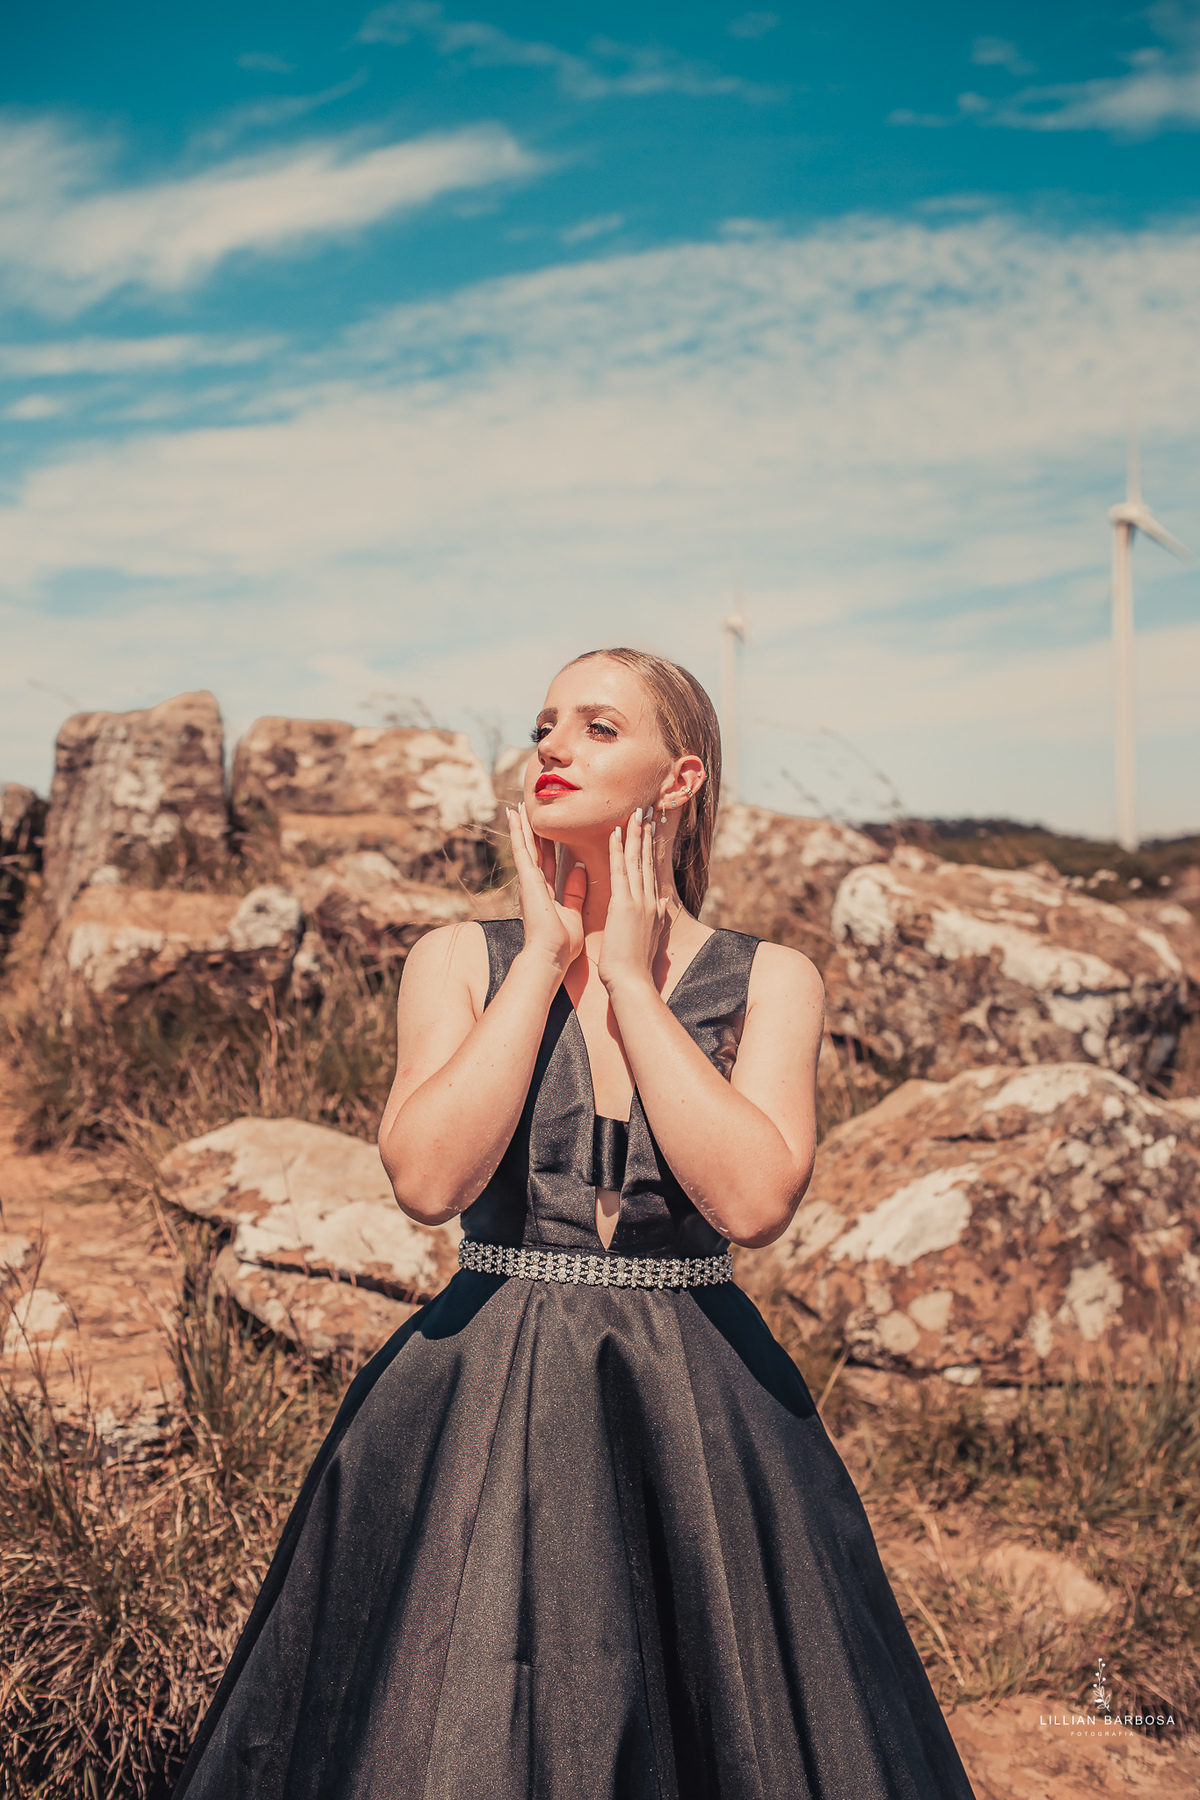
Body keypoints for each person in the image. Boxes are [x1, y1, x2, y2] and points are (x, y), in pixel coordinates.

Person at [174, 647, 975, 1800]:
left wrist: (638, 988)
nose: (551, 745)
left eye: (599, 728)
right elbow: (429, 1181)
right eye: (548, 724)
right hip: (473, 1396)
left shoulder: (771, 980)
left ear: (680, 776)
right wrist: (546, 954)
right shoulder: (459, 959)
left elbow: (751, 1202)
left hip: (703, 1413)